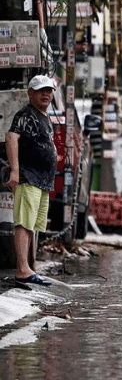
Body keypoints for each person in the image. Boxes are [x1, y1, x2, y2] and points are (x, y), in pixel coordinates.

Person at [4, 75, 58, 287]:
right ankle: (22, 269)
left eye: (49, 90)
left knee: (33, 225)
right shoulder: (25, 115)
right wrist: (15, 171)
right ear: (30, 93)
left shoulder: (42, 116)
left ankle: (29, 268)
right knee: (24, 223)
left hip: (42, 180)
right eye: (40, 90)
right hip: (29, 176)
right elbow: (11, 137)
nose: (46, 94)